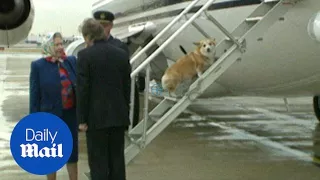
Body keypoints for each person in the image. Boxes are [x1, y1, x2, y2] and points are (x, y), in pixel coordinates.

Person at [77, 18, 130, 180]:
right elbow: (126, 88)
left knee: (98, 164)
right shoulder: (121, 54)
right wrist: (125, 112)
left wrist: (82, 119)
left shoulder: (84, 55)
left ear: (87, 37)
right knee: (117, 163)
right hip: (118, 118)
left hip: (96, 120)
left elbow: (83, 90)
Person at [29, 32, 78, 180]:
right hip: (50, 117)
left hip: (70, 114)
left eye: (61, 44)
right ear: (49, 46)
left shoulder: (70, 61)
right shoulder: (38, 66)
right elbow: (34, 95)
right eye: (56, 44)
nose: (60, 47)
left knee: (72, 154)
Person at [93, 10, 140, 128]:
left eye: (105, 25)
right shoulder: (89, 47)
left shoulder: (120, 47)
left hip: (114, 108)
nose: (102, 29)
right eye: (99, 25)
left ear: (111, 26)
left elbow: (126, 80)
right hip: (96, 108)